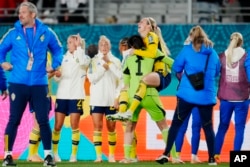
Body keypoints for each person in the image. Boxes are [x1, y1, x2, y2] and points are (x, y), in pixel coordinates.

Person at [0, 2, 63, 166]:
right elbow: (0, 50)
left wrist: (54, 65)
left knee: (43, 120)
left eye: (23, 12)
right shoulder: (13, 33)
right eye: (19, 12)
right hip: (18, 84)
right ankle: (7, 156)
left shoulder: (46, 32)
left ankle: (48, 156)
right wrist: (2, 62)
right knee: (14, 120)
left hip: (39, 84)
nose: (20, 15)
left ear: (33, 15)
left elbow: (58, 50)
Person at [155, 25, 221, 165]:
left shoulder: (186, 50)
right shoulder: (213, 52)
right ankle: (211, 159)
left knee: (176, 125)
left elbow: (177, 67)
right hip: (206, 97)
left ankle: (166, 154)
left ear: (191, 37)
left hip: (187, 95)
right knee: (208, 128)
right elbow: (216, 72)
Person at [109, 17, 173, 122]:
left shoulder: (151, 37)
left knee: (143, 80)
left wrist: (135, 52)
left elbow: (153, 54)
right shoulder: (143, 42)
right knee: (132, 84)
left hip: (162, 75)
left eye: (142, 22)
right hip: (154, 75)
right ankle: (123, 112)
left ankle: (128, 111)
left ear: (149, 27)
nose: (139, 22)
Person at [52, 34, 90, 163]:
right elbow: (57, 79)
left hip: (76, 96)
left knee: (74, 125)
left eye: (70, 42)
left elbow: (83, 63)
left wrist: (79, 47)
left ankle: (73, 155)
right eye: (67, 42)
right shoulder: (62, 59)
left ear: (77, 44)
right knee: (57, 126)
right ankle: (55, 154)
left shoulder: (84, 58)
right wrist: (57, 75)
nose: (67, 44)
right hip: (62, 96)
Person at [214, 32, 250, 163]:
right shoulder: (246, 57)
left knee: (222, 127)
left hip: (225, 99)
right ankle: (237, 160)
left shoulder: (222, 56)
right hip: (242, 99)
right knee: (239, 128)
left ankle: (215, 156)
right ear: (242, 42)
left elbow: (215, 73)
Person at [87, 35, 122, 163]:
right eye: (101, 45)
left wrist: (117, 97)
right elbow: (91, 78)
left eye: (106, 44)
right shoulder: (93, 61)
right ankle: (99, 156)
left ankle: (112, 156)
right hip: (96, 99)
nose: (104, 47)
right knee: (97, 127)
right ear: (99, 47)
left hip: (111, 100)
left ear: (110, 46)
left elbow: (121, 80)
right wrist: (103, 67)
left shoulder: (116, 61)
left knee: (111, 127)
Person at [27, 52, 55, 162]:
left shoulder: (47, 54)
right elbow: (33, 74)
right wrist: (52, 73)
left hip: (45, 91)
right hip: (37, 91)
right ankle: (31, 154)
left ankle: (34, 153)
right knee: (38, 123)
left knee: (41, 123)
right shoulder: (33, 53)